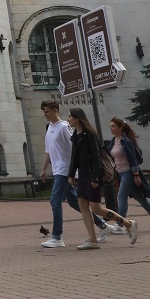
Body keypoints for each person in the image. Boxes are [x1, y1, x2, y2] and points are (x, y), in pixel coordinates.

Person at [37, 99, 109, 248]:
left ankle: (57, 237)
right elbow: (48, 151)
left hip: (64, 170)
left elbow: (75, 149)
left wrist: (74, 171)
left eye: (47, 111)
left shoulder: (64, 127)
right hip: (57, 169)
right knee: (75, 202)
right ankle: (102, 224)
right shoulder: (50, 128)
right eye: (44, 111)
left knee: (55, 201)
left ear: (55, 110)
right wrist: (44, 169)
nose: (45, 114)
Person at [67, 107, 137, 249]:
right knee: (82, 204)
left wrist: (95, 178)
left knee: (96, 208)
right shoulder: (76, 134)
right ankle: (92, 240)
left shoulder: (90, 134)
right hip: (82, 174)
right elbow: (74, 157)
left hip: (92, 174)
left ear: (78, 118)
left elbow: (96, 158)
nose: (68, 119)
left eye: (70, 116)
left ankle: (128, 224)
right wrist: (71, 174)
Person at [108, 117, 150, 231]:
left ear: (120, 128)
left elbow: (133, 159)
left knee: (121, 196)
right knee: (140, 198)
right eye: (110, 126)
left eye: (113, 126)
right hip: (120, 173)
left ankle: (120, 225)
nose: (111, 128)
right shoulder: (113, 141)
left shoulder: (126, 141)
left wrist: (136, 175)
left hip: (128, 172)